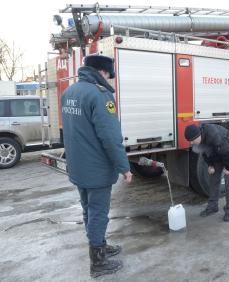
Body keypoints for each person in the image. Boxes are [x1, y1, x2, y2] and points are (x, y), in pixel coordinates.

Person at [61, 55, 132, 278]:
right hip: (97, 169)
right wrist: (124, 167)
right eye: (108, 75)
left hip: (78, 166)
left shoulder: (69, 93)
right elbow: (111, 137)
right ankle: (98, 263)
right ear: (102, 72)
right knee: (99, 213)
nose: (109, 78)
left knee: (88, 210)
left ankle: (99, 244)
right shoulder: (100, 96)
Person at [184, 124, 229, 222]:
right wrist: (210, 165)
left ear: (199, 135)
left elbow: (227, 152)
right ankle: (212, 206)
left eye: (193, 140)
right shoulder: (199, 140)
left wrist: (228, 168)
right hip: (217, 154)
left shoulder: (214, 135)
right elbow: (205, 153)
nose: (192, 142)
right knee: (213, 179)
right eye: (190, 141)